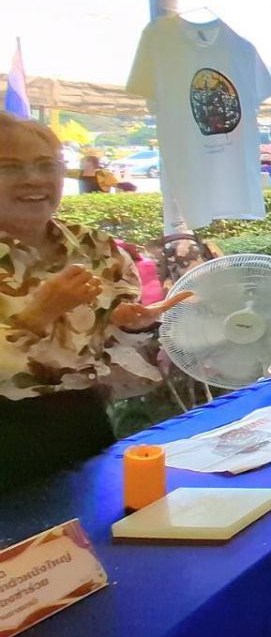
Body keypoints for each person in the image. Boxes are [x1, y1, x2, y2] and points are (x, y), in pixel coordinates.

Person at [0, 116, 188, 493]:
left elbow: (114, 355)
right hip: (7, 435)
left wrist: (131, 326)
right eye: (10, 168)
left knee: (97, 524)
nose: (33, 179)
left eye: (46, 165)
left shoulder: (93, 246)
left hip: (84, 421)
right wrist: (36, 316)